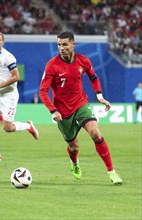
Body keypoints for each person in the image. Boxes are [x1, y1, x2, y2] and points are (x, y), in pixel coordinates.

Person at [39, 31, 122, 185]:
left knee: (95, 133)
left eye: (64, 44)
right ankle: (75, 162)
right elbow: (43, 91)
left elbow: (94, 77)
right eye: (58, 45)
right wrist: (53, 110)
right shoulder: (52, 65)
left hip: (80, 103)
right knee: (73, 146)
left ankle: (112, 172)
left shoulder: (83, 61)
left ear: (72, 44)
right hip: (62, 111)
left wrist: (99, 96)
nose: (61, 48)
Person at [0, 31, 39, 162]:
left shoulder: (8, 57)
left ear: (2, 42)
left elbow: (16, 76)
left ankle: (29, 126)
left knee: (8, 127)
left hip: (9, 95)